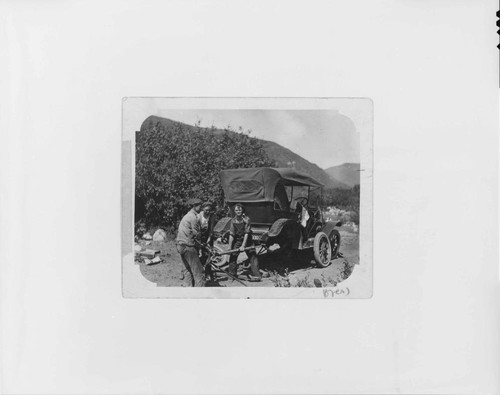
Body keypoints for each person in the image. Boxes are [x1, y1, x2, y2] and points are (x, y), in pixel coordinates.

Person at [227, 203, 261, 282]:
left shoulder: (246, 219)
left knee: (252, 256)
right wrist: (229, 246)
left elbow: (246, 233)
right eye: (236, 210)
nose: (238, 211)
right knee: (233, 256)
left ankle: (257, 275)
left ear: (242, 210)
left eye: (239, 210)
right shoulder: (233, 220)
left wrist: (243, 246)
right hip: (238, 240)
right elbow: (231, 234)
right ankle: (232, 275)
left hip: (247, 240)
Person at [176, 198, 205, 287]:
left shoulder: (186, 216)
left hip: (180, 245)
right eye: (200, 206)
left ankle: (189, 291)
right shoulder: (193, 217)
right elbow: (197, 234)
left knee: (187, 270)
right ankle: (200, 294)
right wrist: (200, 247)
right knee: (199, 272)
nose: (201, 208)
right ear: (195, 206)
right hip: (188, 246)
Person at [197, 201, 216, 281]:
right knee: (200, 255)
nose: (208, 212)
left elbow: (211, 229)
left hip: (208, 236)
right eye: (206, 210)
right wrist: (200, 242)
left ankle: (209, 273)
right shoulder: (199, 216)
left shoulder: (212, 216)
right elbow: (197, 230)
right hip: (199, 236)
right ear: (203, 209)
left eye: (209, 210)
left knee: (208, 255)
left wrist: (209, 239)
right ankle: (200, 273)